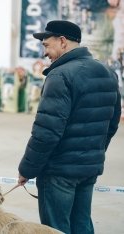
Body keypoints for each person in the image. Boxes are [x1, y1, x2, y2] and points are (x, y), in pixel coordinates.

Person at [17, 20, 121, 234]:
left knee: (55, 229)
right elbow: (112, 122)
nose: (44, 53)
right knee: (82, 225)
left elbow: (46, 132)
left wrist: (27, 169)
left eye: (46, 45)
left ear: (62, 41)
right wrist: (93, 152)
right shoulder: (107, 72)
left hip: (59, 171)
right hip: (88, 169)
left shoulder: (60, 75)